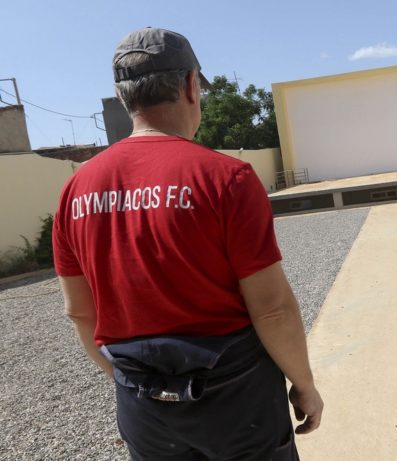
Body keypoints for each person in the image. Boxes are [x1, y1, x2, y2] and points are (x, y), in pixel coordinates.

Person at [53, 27, 323, 460]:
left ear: (122, 97)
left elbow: (79, 312)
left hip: (144, 406)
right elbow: (272, 309)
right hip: (236, 400)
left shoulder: (74, 191)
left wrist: (131, 383)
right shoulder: (226, 178)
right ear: (191, 86)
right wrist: (304, 384)